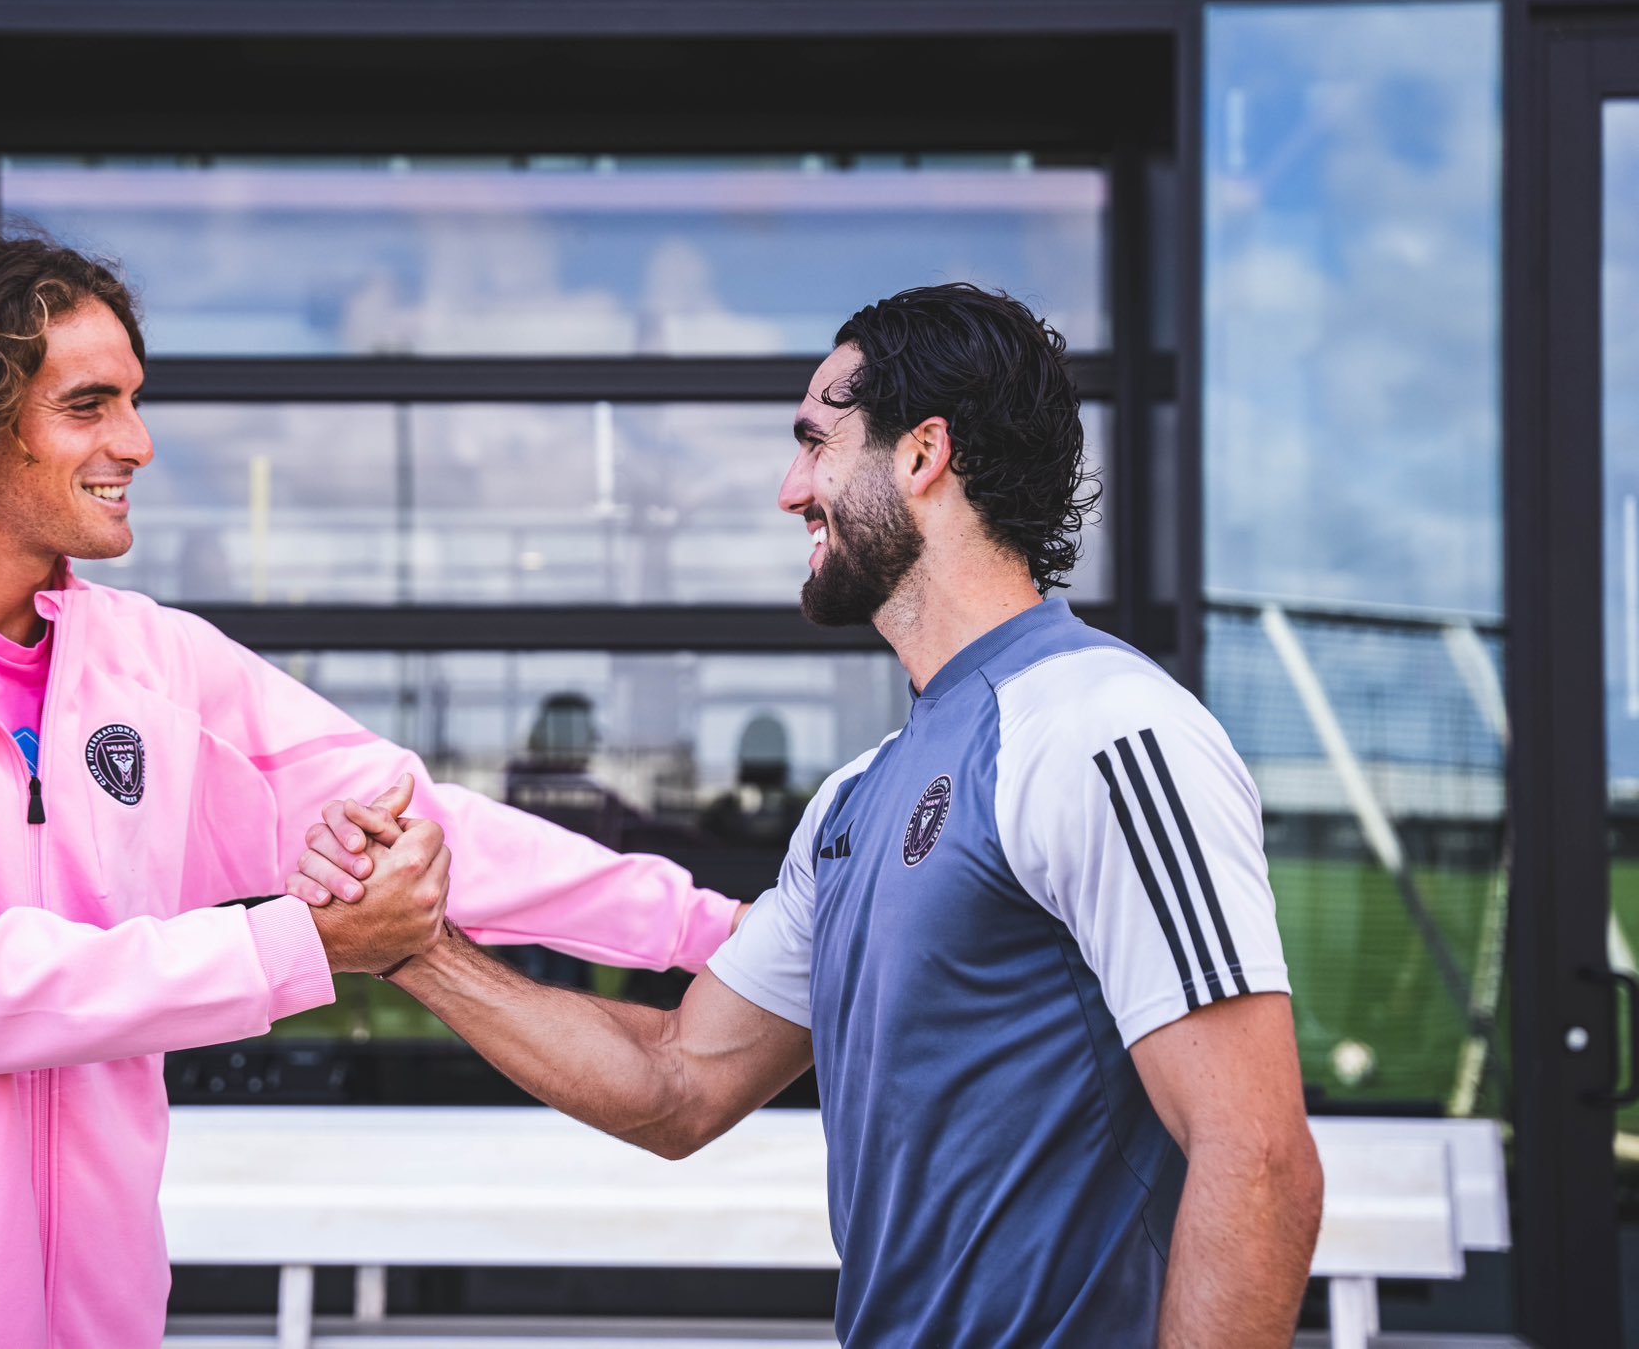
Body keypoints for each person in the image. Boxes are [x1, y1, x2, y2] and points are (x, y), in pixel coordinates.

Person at [0, 230, 743, 1348]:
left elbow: (416, 820)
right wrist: (304, 945)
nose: (136, 442)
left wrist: (725, 935)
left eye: (134, 401)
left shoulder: (146, 661)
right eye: (88, 405)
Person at [304, 285, 1324, 1347]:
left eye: (815, 442)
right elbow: (677, 1082)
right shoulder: (853, 801)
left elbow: (1256, 1159)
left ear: (922, 454)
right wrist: (414, 948)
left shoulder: (1102, 728)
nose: (790, 489)